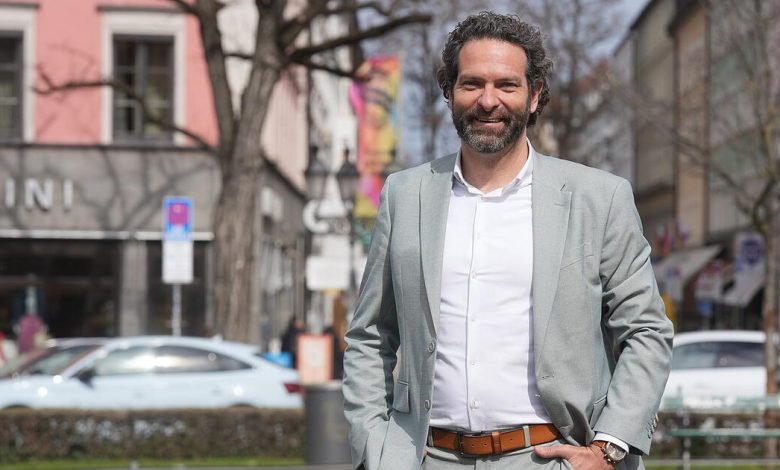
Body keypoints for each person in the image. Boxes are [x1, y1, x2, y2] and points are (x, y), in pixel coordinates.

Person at [342, 11, 673, 470]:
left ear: (534, 95)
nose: (488, 100)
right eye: (471, 83)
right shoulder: (405, 194)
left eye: (506, 85)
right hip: (425, 458)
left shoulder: (598, 198)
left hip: (550, 458)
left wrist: (608, 449)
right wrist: (375, 447)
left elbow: (646, 331)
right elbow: (370, 335)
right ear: (449, 91)